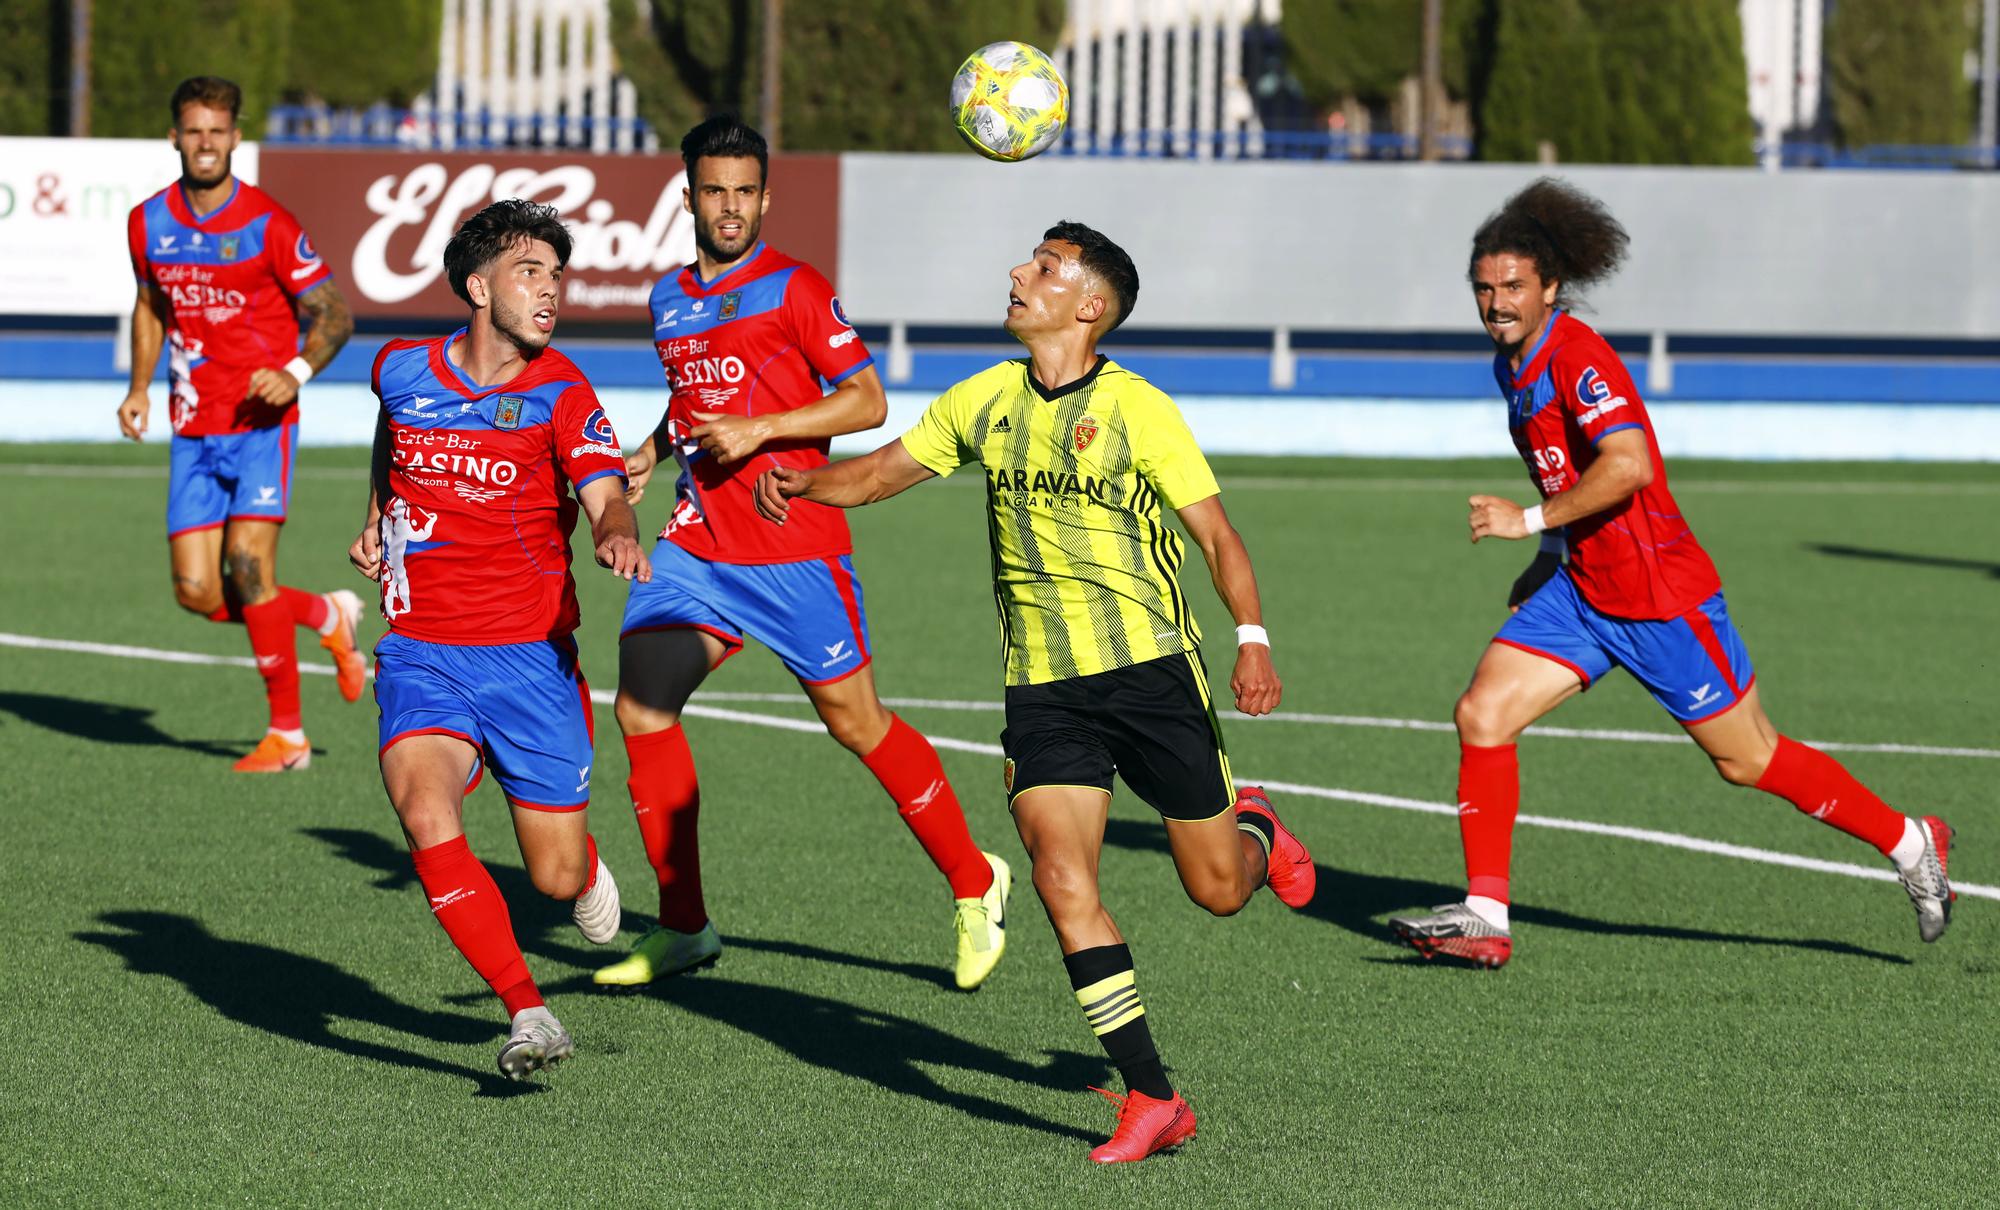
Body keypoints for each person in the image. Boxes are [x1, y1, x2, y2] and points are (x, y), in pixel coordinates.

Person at [754, 221, 1316, 1164]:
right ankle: (1152, 1095)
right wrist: (806, 479)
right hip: (1041, 686)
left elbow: (1218, 538)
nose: (1020, 274)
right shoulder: (983, 398)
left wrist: (1251, 642)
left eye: (1046, 268)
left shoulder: (1140, 409)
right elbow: (885, 474)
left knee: (1219, 891)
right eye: (1029, 262)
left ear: (1089, 306)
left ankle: (1255, 826)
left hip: (1149, 674)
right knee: (1063, 879)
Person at [1388, 178, 1956, 969]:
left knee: (1747, 759)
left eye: (1514, 286)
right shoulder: (1510, 365)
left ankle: (1908, 840)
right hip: (1584, 591)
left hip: (1659, 598)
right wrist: (1547, 556)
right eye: (1483, 289)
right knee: (1483, 714)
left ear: (1551, 287)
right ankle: (1486, 913)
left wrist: (1525, 522)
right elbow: (1565, 474)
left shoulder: (1578, 357)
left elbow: (1629, 464)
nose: (1496, 303)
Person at [595, 116, 1010, 993]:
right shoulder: (668, 298)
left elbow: (865, 401)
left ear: (766, 197)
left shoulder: (795, 288)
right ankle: (684, 926)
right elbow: (692, 402)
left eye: (746, 191)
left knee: (856, 723)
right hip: (698, 544)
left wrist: (767, 428)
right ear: (690, 196)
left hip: (794, 548)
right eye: (716, 190)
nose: (731, 206)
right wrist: (650, 451)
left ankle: (976, 881)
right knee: (641, 707)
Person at [347, 199, 649, 1079]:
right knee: (423, 809)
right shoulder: (399, 368)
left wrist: (613, 530)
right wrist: (376, 514)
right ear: (478, 287)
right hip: (421, 650)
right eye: (530, 273)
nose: (550, 290)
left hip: (529, 663)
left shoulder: (562, 389)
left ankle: (586, 865)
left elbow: (605, 487)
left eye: (557, 275)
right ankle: (529, 1011)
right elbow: (390, 437)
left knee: (552, 880)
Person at [118, 75, 364, 772]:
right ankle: (325, 616)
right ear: (175, 137)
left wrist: (295, 372)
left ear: (235, 138)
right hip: (191, 425)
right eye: (193, 130)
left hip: (261, 425)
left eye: (217, 131)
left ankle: (287, 735)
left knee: (249, 570)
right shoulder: (146, 222)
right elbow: (148, 306)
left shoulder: (268, 223)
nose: (205, 143)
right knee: (197, 592)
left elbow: (336, 315)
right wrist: (139, 388)